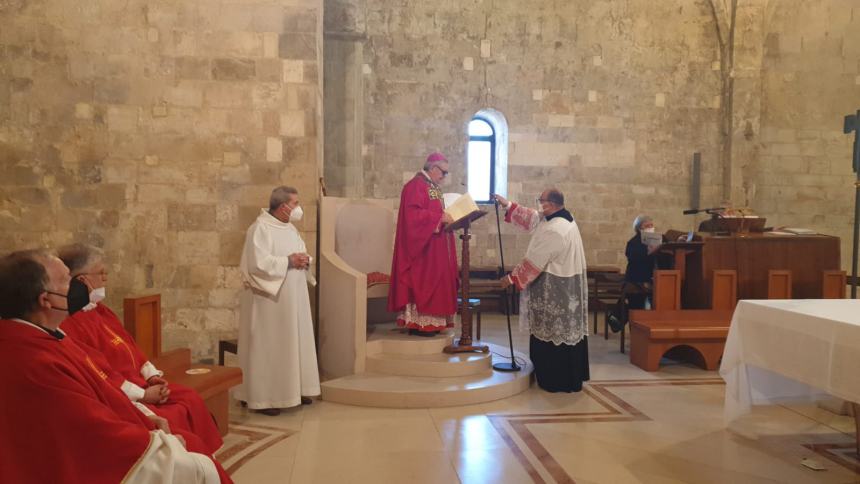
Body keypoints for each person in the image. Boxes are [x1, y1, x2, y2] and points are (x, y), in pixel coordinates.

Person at [0, 250, 227, 483]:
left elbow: (102, 385)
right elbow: (94, 435)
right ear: (45, 299)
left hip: (130, 417)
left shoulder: (48, 338)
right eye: (67, 280)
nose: (78, 288)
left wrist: (146, 414)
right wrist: (162, 444)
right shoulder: (35, 362)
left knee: (190, 434)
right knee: (199, 465)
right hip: (104, 458)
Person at [57, 243, 223, 454]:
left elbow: (130, 346)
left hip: (142, 384)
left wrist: (152, 376)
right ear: (82, 280)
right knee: (173, 415)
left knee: (189, 397)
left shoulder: (100, 310)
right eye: (101, 273)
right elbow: (97, 373)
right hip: (122, 395)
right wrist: (143, 395)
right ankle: (183, 464)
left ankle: (201, 461)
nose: (106, 278)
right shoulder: (70, 322)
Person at [494, 190, 590, 393]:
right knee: (556, 330)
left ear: (552, 204)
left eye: (542, 201)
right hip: (562, 284)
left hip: (556, 286)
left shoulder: (557, 229)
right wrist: (508, 205)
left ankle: (556, 380)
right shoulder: (558, 217)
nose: (539, 205)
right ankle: (558, 376)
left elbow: (536, 260)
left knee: (554, 330)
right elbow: (534, 218)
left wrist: (511, 278)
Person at [236, 186, 320, 416]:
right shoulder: (259, 229)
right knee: (270, 345)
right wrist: (288, 261)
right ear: (283, 207)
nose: (298, 208)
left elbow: (299, 252)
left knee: (294, 342)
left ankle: (294, 389)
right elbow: (257, 264)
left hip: (294, 298)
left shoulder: (290, 228)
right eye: (295, 204)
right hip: (269, 301)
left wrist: (304, 260)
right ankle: (265, 398)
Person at [388, 152, 459, 337]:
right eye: (443, 172)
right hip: (423, 250)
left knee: (438, 282)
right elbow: (412, 217)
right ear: (433, 168)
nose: (445, 176)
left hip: (436, 246)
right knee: (425, 281)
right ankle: (420, 323)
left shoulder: (432, 186)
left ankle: (434, 323)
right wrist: (439, 217)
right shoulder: (415, 186)